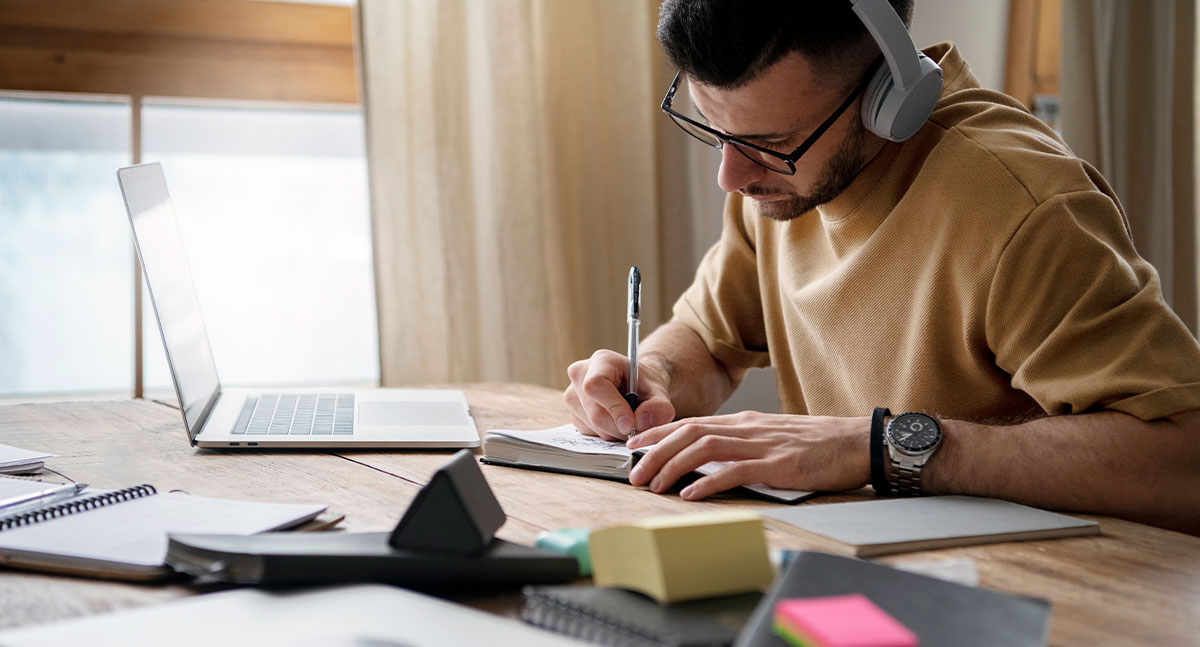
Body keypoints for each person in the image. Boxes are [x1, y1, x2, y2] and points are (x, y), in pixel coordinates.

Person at [562, 0, 1200, 534]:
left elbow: (1182, 462)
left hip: (1036, 596)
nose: (731, 176)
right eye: (714, 128)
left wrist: (878, 447)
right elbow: (709, 342)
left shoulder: (1023, 208)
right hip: (850, 563)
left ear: (887, 97)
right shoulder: (776, 183)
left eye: (771, 143)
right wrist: (653, 376)